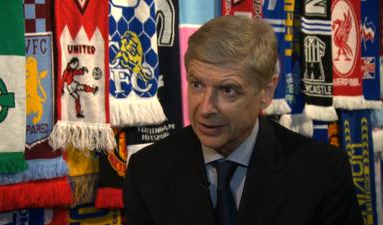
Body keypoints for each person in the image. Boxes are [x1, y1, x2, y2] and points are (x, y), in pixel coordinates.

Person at [123, 16, 363, 225]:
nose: (205, 108)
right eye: (197, 84)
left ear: (267, 92)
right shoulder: (147, 171)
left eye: (228, 90)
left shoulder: (322, 172)